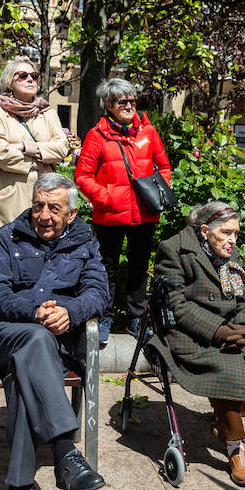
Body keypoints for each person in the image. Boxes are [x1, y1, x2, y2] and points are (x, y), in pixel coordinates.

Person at [0, 173, 109, 490]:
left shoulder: (86, 243)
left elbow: (98, 292)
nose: (44, 214)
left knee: (25, 377)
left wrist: (72, 312)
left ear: (72, 212)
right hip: (6, 335)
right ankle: (65, 451)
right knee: (33, 341)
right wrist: (38, 310)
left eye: (54, 207)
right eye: (38, 205)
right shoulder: (7, 239)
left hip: (53, 342)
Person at [149, 201, 245, 487]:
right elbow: (176, 305)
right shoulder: (174, 249)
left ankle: (225, 423)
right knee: (229, 371)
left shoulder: (228, 255)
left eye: (236, 234)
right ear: (206, 230)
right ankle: (235, 447)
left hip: (231, 331)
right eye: (228, 233)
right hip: (190, 334)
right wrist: (218, 331)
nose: (233, 240)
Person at [74, 77, 173, 343]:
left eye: (132, 99)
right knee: (106, 267)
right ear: (109, 105)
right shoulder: (97, 135)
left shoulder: (148, 133)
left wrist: (160, 191)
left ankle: (136, 318)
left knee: (140, 267)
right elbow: (82, 175)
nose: (129, 105)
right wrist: (105, 198)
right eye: (122, 101)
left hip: (144, 213)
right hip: (110, 214)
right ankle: (105, 317)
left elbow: (164, 167)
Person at [0, 56, 75, 245]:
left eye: (34, 76)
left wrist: (24, 147)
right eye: (22, 75)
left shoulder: (47, 112)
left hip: (45, 194)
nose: (30, 79)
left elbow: (62, 147)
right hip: (10, 195)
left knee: (44, 252)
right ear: (9, 83)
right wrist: (43, 159)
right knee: (9, 251)